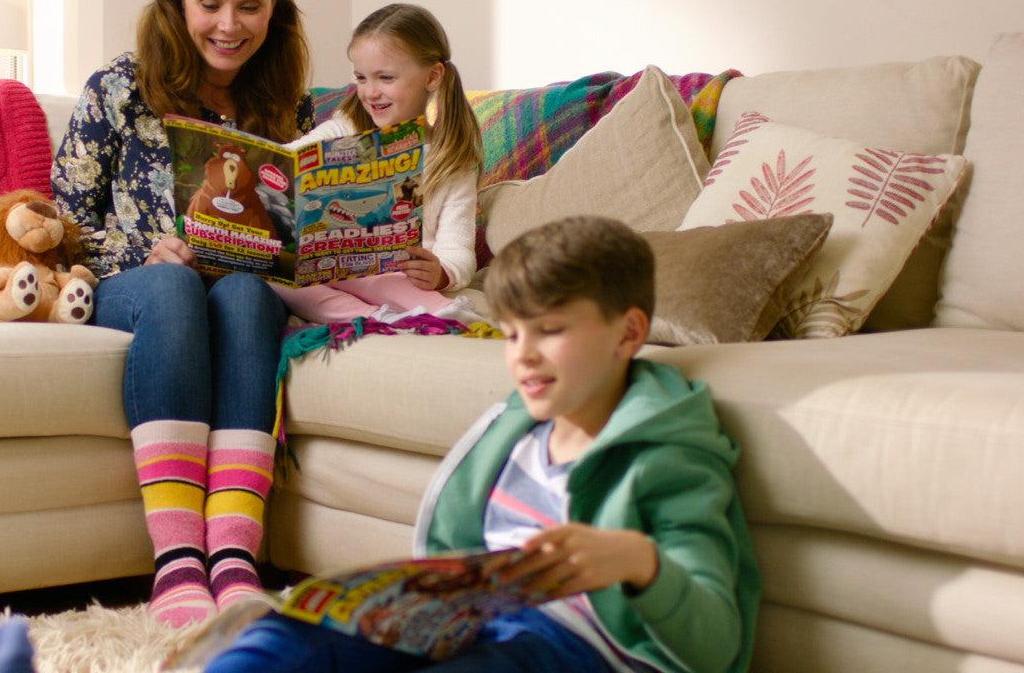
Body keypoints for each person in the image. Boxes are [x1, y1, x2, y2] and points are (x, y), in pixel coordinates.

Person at [200, 216, 762, 673]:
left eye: (552, 330)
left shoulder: (668, 454)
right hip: (468, 622)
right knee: (288, 636)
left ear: (630, 332)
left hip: (575, 647)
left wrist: (642, 563)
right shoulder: (515, 431)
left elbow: (714, 642)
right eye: (514, 333)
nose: (524, 355)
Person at [49, 0, 314, 627]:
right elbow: (67, 218)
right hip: (139, 289)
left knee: (249, 296)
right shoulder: (118, 88)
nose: (230, 24)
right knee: (174, 286)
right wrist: (145, 253)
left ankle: (233, 555)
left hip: (238, 291)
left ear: (274, 11)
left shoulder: (293, 108)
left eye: (250, 5)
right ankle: (176, 562)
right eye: (211, 3)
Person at [272, 3, 484, 325]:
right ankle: (373, 319)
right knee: (273, 270)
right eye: (361, 77)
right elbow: (291, 155)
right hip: (330, 268)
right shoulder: (345, 128)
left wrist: (441, 273)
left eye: (385, 77)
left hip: (398, 273)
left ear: (433, 76)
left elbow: (459, 252)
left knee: (392, 280)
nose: (370, 92)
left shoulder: (452, 159)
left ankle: (441, 314)